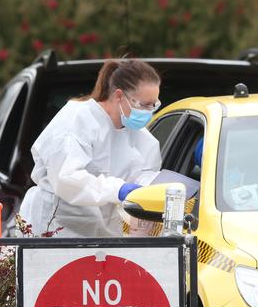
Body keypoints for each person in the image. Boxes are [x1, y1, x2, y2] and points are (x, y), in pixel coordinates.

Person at [19, 59, 162, 237]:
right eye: (144, 104)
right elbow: (66, 178)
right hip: (55, 226)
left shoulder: (142, 138)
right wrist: (117, 189)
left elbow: (145, 178)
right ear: (119, 96)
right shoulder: (77, 119)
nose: (149, 112)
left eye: (154, 105)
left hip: (103, 230)